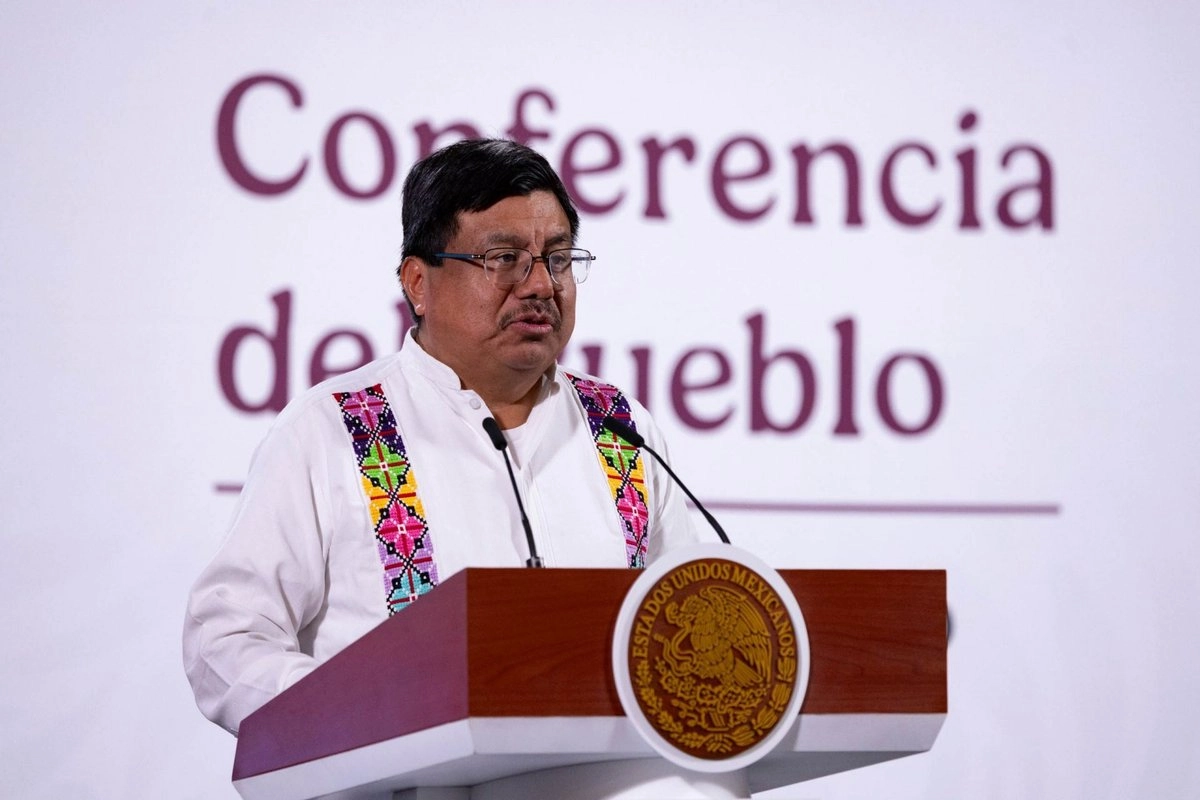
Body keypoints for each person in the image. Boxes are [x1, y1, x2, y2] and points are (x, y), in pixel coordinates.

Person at [183, 139, 699, 735]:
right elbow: (226, 638)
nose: (539, 285)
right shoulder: (333, 430)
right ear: (418, 282)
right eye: (503, 258)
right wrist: (361, 715)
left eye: (557, 259)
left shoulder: (621, 429)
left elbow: (693, 619)